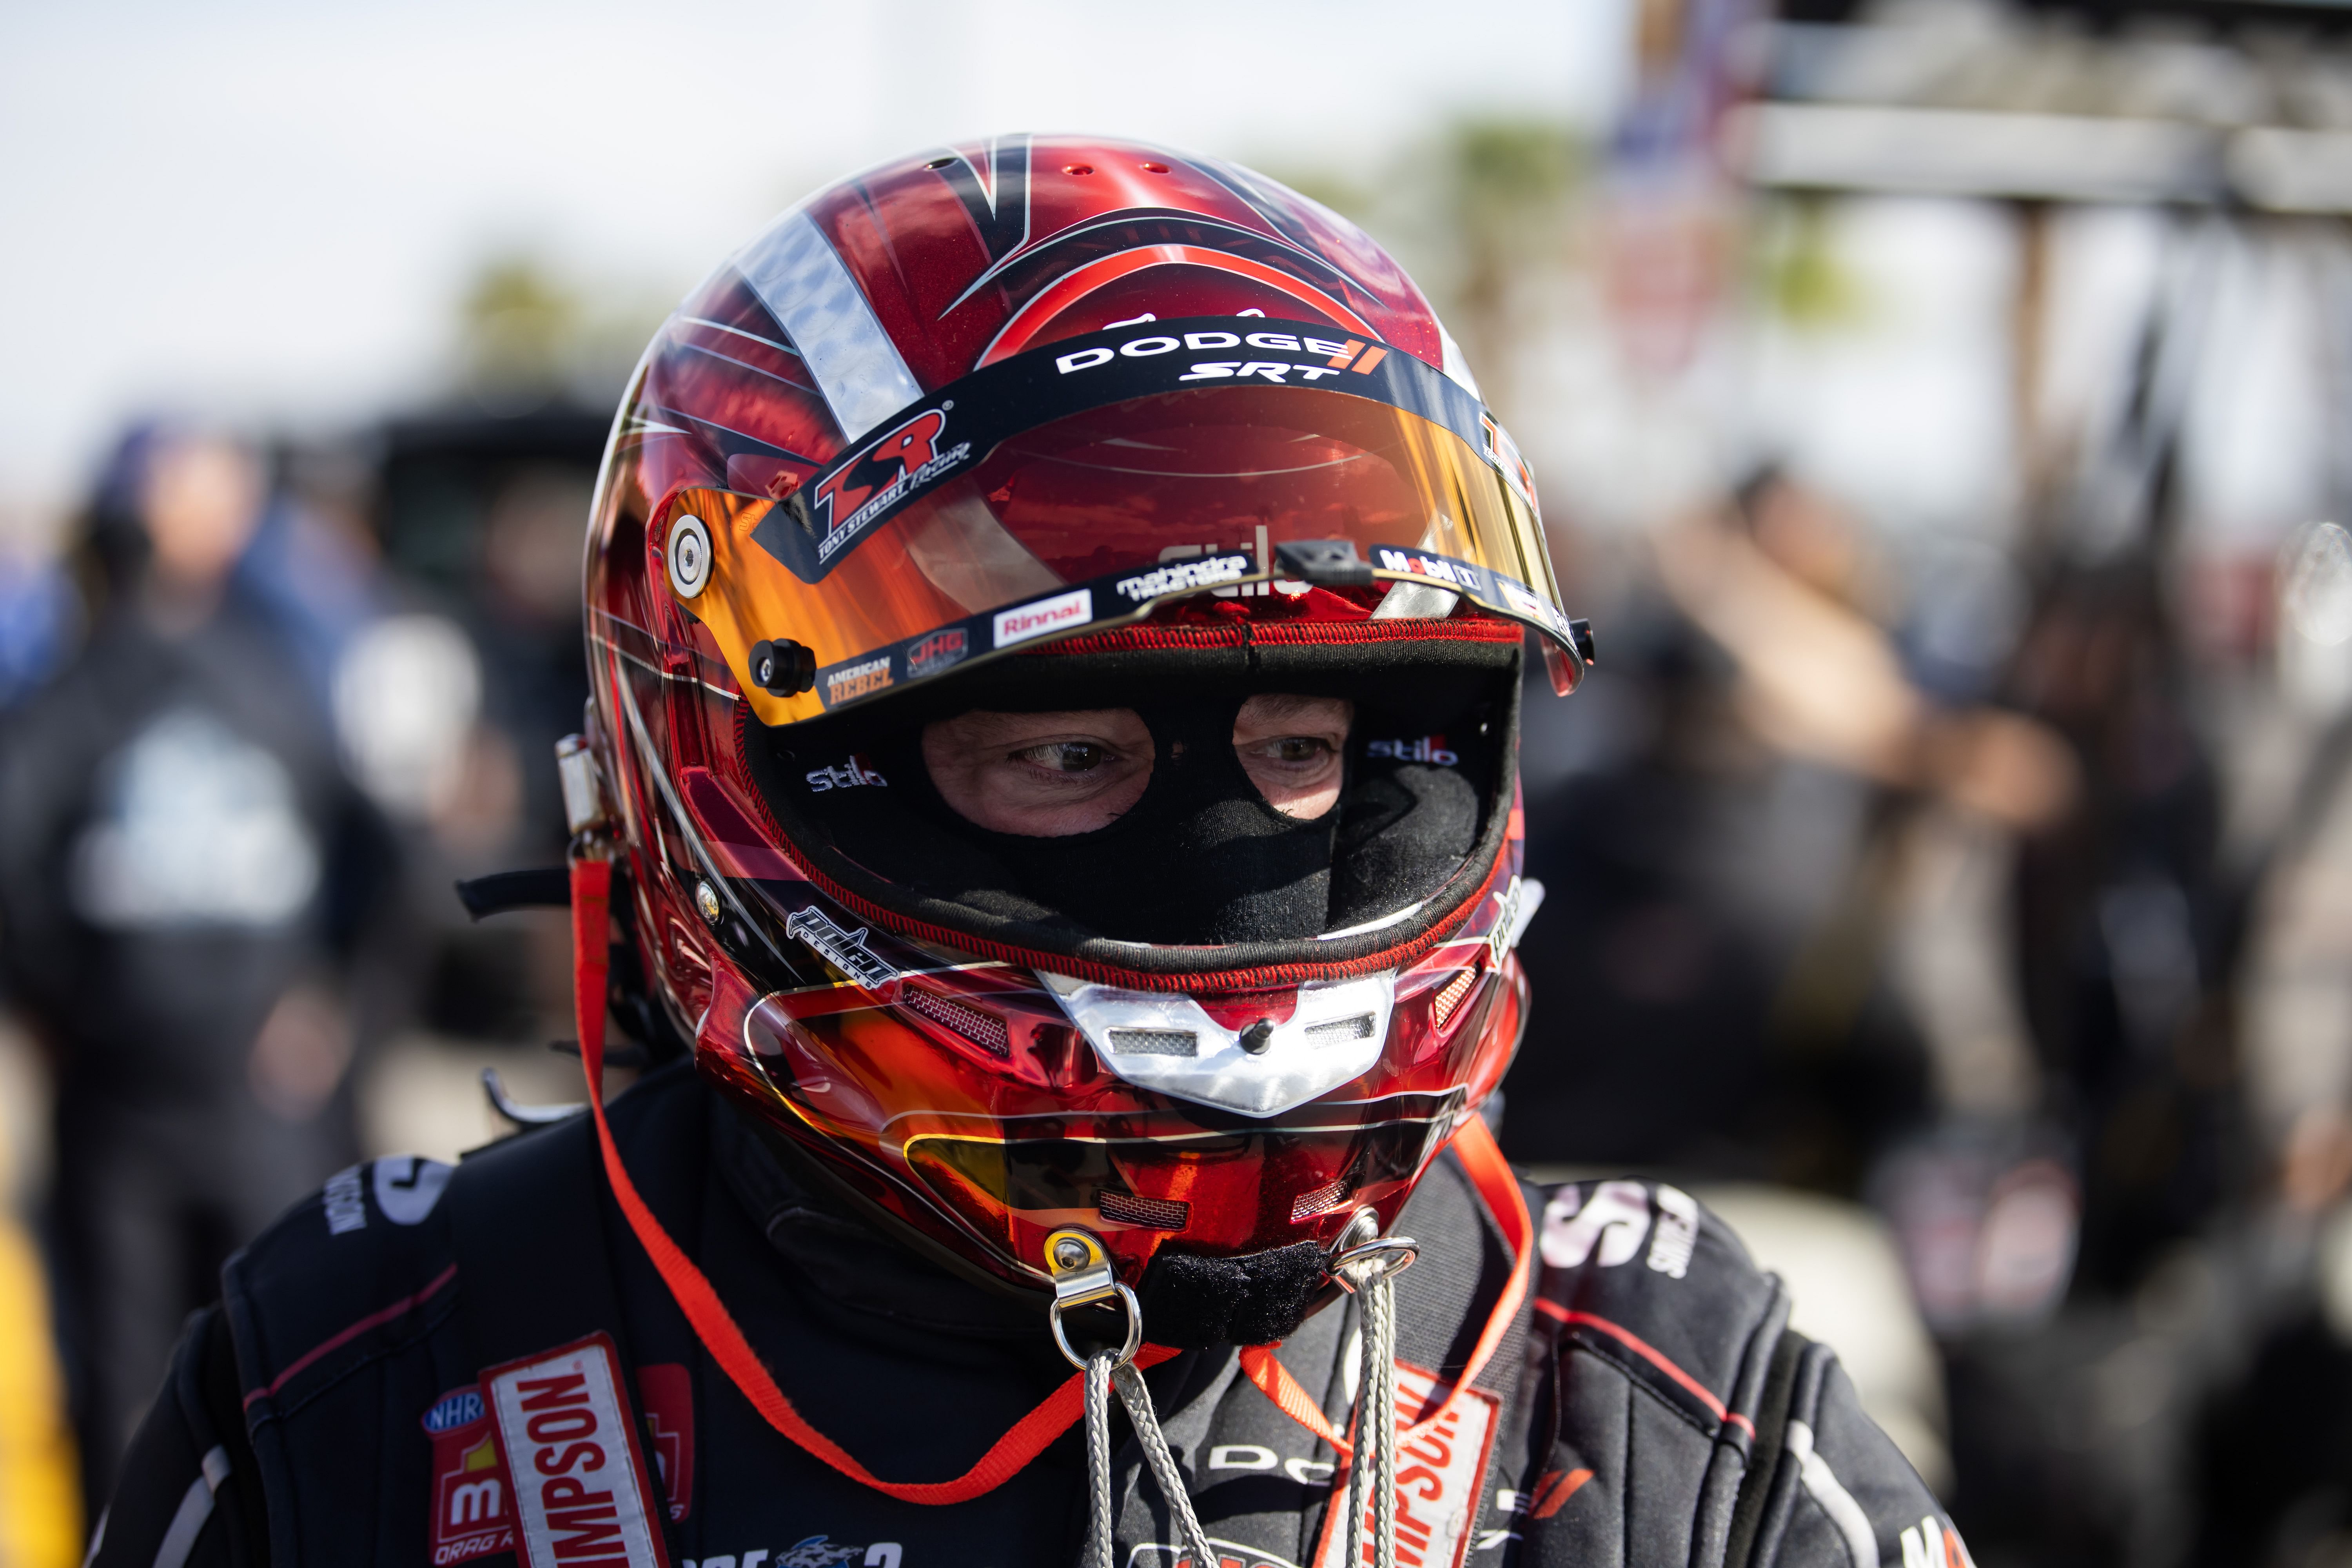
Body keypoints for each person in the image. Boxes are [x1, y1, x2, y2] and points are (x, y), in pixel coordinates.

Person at [91, 138, 1960, 1568]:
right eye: (1066, 748)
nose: (1233, 869)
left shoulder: (1643, 1384)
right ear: (759, 759)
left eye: (1307, 747)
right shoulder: (388, 1384)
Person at [0, 425, 384, 1514]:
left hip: (264, 1103)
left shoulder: (278, 666)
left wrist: (334, 1001)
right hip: (116, 1108)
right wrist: (52, 1007)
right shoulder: (79, 682)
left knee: (301, 1378)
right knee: (121, 1395)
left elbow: (376, 855)